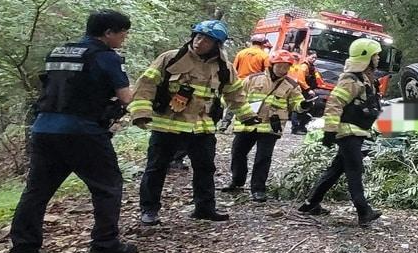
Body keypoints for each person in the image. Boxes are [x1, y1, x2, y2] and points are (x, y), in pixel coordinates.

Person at [6, 10, 138, 253]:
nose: (124, 38)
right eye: (123, 32)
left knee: (37, 191)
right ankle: (105, 244)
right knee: (107, 186)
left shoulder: (58, 52)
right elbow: (126, 98)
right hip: (83, 131)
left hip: (44, 128)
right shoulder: (106, 57)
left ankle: (23, 252)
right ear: (108, 33)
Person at [129, 20, 251, 225]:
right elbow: (146, 85)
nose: (199, 42)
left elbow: (235, 94)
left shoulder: (224, 67)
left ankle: (205, 208)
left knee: (205, 168)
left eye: (206, 40)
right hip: (168, 124)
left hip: (201, 126)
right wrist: (141, 113)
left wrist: (248, 117)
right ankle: (149, 210)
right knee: (156, 168)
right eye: (198, 36)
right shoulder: (170, 58)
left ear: (216, 44)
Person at [299, 37, 383, 225]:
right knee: (355, 170)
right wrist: (329, 131)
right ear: (366, 57)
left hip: (356, 132)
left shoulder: (364, 78)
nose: (378, 58)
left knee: (336, 170)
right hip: (347, 132)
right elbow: (334, 104)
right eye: (375, 55)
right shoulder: (350, 80)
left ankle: (310, 203)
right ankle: (363, 211)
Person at [223, 49, 303, 202]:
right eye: (280, 66)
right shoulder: (253, 79)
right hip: (248, 123)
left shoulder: (292, 85)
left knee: (263, 157)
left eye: (286, 67)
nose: (283, 70)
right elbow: (236, 96)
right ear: (272, 65)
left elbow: (296, 104)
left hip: (270, 127)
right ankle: (237, 180)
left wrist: (304, 106)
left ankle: (258, 189)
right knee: (238, 152)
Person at [288, 52, 322, 135]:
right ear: (307, 56)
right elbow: (300, 80)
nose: (314, 59)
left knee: (308, 109)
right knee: (298, 109)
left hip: (307, 91)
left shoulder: (311, 67)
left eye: (315, 58)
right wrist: (308, 89)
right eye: (312, 57)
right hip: (303, 91)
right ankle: (295, 127)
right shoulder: (304, 66)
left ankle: (301, 126)